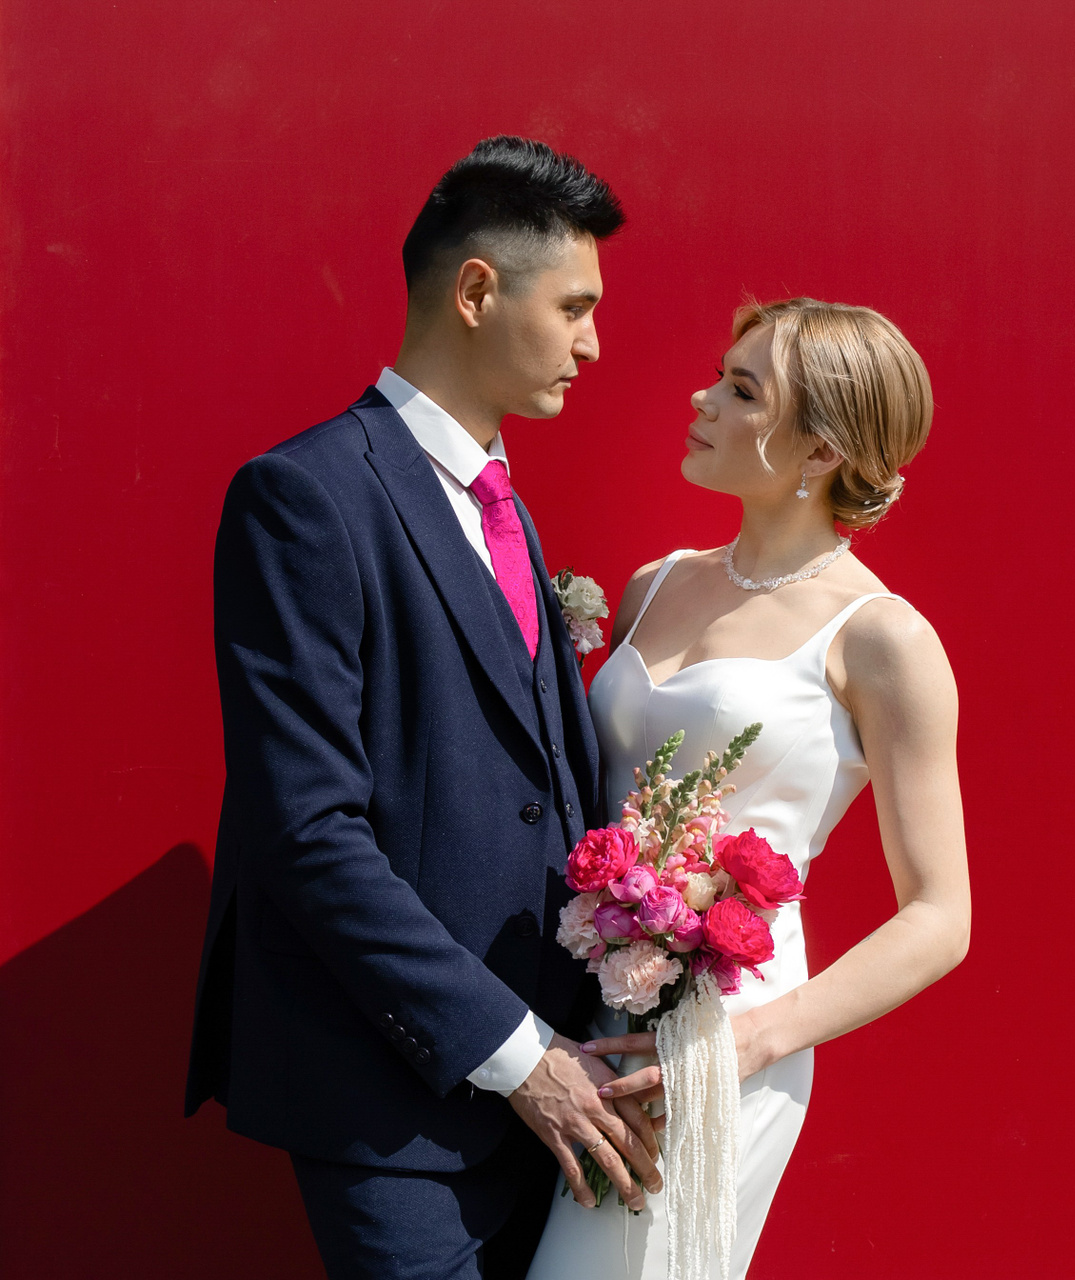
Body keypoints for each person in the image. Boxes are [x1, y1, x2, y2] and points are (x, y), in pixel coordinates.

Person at [185, 136, 659, 1280]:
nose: (595, 343)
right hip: (396, 1102)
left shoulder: (506, 507)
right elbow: (307, 830)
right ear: (477, 290)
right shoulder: (305, 496)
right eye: (576, 306)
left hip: (561, 1087)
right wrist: (517, 1054)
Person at [525, 298, 972, 1278]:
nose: (702, 400)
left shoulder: (882, 638)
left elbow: (942, 916)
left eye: (740, 389)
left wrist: (748, 1044)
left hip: (723, 1036)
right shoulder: (652, 583)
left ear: (821, 448)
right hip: (568, 1013)